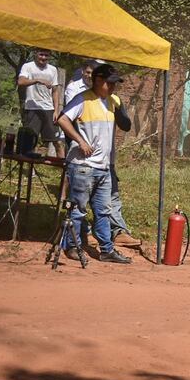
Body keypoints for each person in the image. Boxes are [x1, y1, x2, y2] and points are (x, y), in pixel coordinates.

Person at [57, 63, 132, 264]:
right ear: (98, 80)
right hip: (83, 166)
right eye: (110, 83)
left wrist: (121, 106)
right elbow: (62, 119)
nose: (113, 87)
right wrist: (80, 141)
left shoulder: (112, 101)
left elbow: (126, 125)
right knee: (78, 209)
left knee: (103, 211)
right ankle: (72, 247)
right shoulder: (82, 99)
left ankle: (107, 250)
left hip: (103, 167)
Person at [17, 49, 64, 157]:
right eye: (41, 54)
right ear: (35, 54)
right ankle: (30, 170)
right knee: (30, 141)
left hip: (48, 108)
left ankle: (63, 170)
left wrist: (56, 110)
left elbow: (55, 91)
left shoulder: (53, 69)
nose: (43, 57)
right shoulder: (28, 66)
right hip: (32, 108)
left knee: (57, 141)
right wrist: (37, 80)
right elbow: (21, 82)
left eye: (46, 55)